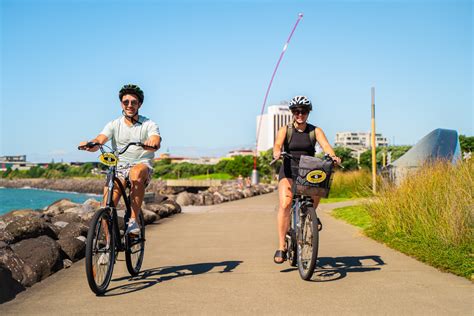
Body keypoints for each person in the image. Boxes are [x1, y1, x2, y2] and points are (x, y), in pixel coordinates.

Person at [79, 84, 161, 234]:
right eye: (126, 102)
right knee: (106, 207)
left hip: (142, 165)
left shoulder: (149, 124)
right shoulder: (114, 124)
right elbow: (100, 139)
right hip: (119, 167)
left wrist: (152, 143)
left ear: (140, 104)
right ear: (121, 104)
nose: (129, 105)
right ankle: (108, 248)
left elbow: (155, 139)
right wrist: (91, 144)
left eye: (134, 102)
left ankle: (133, 220)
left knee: (136, 173)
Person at [272, 95, 341, 264]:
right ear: (292, 113)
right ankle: (282, 246)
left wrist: (333, 156)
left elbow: (325, 146)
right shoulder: (285, 129)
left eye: (303, 111)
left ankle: (310, 214)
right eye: (296, 111)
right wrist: (276, 152)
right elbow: (277, 145)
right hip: (288, 170)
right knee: (285, 204)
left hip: (308, 169)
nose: (299, 114)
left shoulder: (315, 131)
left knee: (319, 186)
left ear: (308, 112)